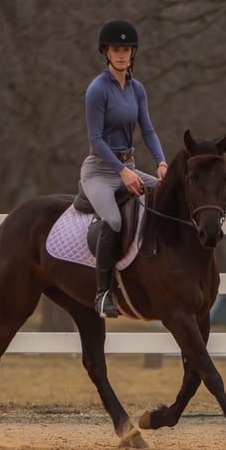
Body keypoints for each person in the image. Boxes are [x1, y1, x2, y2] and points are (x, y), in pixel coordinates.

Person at [80, 19, 169, 318]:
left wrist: (161, 162)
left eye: (127, 49)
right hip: (100, 171)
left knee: (168, 195)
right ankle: (103, 293)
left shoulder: (137, 89)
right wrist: (122, 171)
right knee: (115, 221)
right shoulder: (97, 90)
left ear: (133, 53)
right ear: (106, 52)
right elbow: (96, 139)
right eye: (116, 49)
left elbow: (148, 129)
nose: (122, 55)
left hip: (128, 166)